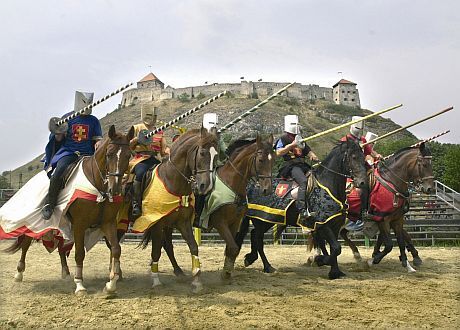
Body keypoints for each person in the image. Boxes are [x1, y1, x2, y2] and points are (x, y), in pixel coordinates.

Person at [42, 91, 102, 220]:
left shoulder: (94, 121)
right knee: (59, 171)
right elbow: (58, 139)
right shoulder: (68, 117)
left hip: (88, 155)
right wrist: (58, 133)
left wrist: (98, 143)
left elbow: (97, 138)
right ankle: (49, 204)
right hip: (70, 152)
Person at [275, 115, 319, 221]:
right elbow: (278, 152)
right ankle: (302, 209)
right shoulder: (283, 138)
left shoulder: (300, 138)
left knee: (318, 178)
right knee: (303, 181)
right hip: (291, 166)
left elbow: (307, 150)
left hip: (303, 165)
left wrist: (313, 156)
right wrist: (291, 145)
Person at [129, 106, 168, 217]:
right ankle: (136, 203)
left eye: (155, 116)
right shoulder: (136, 128)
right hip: (140, 159)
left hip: (155, 159)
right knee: (140, 174)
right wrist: (137, 139)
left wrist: (172, 151)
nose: (153, 118)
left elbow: (164, 149)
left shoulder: (159, 131)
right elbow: (129, 145)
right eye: (150, 115)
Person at [193, 113, 227, 229]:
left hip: (215, 167)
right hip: (200, 169)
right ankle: (197, 215)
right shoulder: (199, 136)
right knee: (202, 188)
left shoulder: (218, 137)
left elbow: (224, 153)